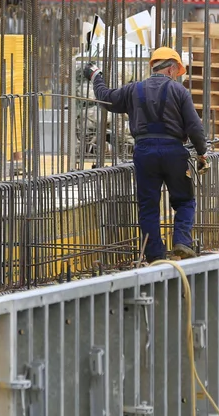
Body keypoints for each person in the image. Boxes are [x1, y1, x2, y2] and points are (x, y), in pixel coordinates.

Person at [82, 47, 208, 262]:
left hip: (145, 153)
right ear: (171, 68)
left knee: (148, 206)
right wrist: (201, 152)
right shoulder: (179, 92)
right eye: (177, 71)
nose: (178, 76)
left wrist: (96, 76)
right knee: (185, 200)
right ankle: (182, 242)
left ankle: (154, 255)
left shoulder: (134, 90)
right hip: (173, 152)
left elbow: (105, 98)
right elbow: (194, 126)